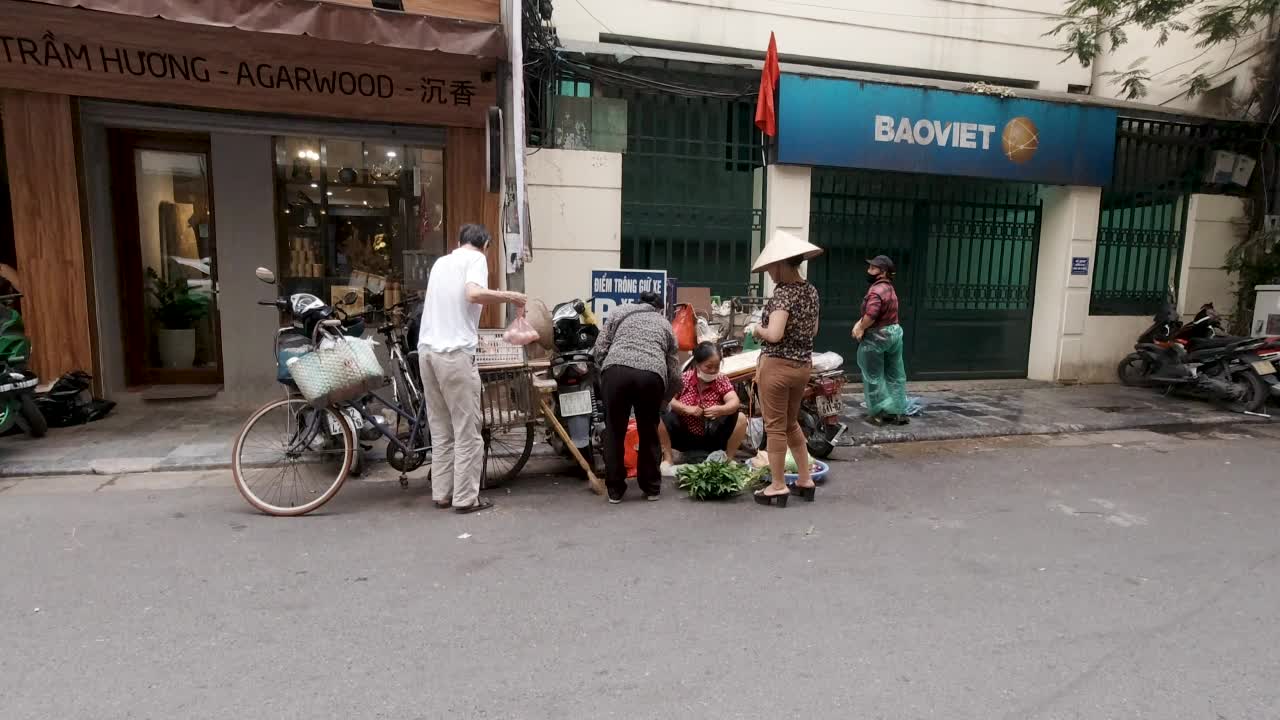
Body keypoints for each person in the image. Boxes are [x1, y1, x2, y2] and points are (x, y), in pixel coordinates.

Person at [418, 223, 526, 514]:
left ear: (458, 240)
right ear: (486, 246)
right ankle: (466, 498)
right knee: (467, 431)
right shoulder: (476, 259)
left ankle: (441, 493)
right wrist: (510, 296)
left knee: (441, 429)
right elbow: (473, 294)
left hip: (426, 352)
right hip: (453, 354)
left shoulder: (442, 262)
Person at [745, 234, 823, 508]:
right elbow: (812, 330)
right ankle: (805, 480)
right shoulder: (811, 291)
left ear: (780, 265)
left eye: (769, 267)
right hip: (802, 366)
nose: (769, 272)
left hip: (777, 367)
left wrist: (757, 329)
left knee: (775, 427)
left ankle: (777, 486)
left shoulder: (783, 293)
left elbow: (775, 334)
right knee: (791, 424)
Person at [594, 291, 682, 504]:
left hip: (616, 373)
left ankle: (615, 490)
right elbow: (676, 375)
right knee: (648, 431)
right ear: (659, 308)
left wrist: (607, 373)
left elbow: (599, 350)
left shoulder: (618, 313)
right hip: (650, 376)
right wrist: (664, 401)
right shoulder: (664, 324)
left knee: (614, 431)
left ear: (638, 302)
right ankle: (651, 488)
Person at [658, 341, 749, 474]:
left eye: (716, 367)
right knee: (659, 416)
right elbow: (668, 399)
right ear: (697, 364)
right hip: (685, 436)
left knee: (740, 417)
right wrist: (685, 409)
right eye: (708, 366)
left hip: (713, 435)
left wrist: (720, 410)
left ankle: (728, 460)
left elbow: (734, 401)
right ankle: (668, 459)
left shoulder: (721, 380)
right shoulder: (684, 379)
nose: (713, 371)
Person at [852, 255, 909, 426]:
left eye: (872, 268)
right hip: (894, 333)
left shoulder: (876, 290)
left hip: (877, 337)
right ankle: (898, 411)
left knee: (873, 376)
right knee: (895, 374)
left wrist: (860, 328)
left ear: (882, 272)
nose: (868, 271)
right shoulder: (890, 288)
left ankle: (878, 412)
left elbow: (871, 314)